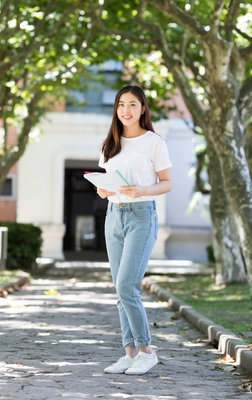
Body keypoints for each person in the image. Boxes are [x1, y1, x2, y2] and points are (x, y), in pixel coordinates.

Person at [97, 85, 172, 375]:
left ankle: (147, 350)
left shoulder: (154, 142)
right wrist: (103, 190)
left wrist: (142, 190)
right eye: (120, 105)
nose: (125, 110)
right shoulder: (109, 144)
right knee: (120, 288)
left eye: (132, 104)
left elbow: (167, 182)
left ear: (143, 108)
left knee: (128, 286)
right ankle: (129, 354)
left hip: (142, 216)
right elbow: (106, 180)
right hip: (113, 215)